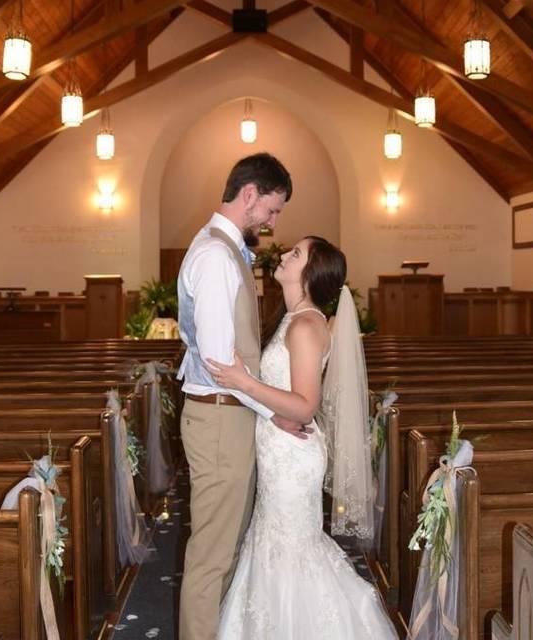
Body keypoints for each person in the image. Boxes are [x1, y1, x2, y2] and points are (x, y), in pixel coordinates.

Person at [207, 236, 399, 639]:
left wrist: (243, 381)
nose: (285, 255)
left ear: (310, 274)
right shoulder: (296, 319)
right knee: (277, 546)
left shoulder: (307, 325)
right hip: (282, 453)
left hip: (292, 461)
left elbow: (305, 405)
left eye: (295, 254)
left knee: (291, 550)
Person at [177, 153, 304, 640]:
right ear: (249, 194)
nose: (272, 223)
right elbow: (218, 361)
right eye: (272, 210)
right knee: (212, 556)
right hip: (219, 419)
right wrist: (274, 412)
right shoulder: (214, 255)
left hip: (229, 417)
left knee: (226, 548)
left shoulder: (225, 249)